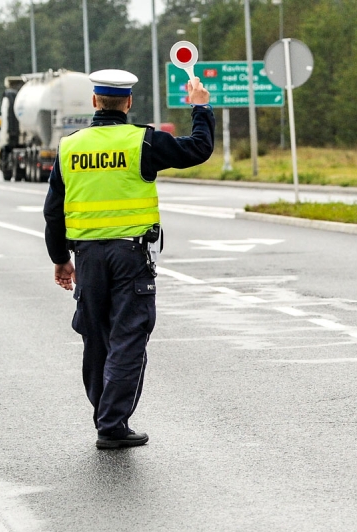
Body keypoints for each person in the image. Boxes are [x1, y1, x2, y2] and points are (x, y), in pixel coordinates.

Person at [43, 68, 214, 449]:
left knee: (96, 338)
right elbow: (198, 148)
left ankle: (104, 415)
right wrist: (200, 107)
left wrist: (59, 258)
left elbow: (54, 211)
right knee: (129, 337)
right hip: (130, 256)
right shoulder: (143, 142)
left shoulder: (70, 146)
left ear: (94, 102)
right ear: (129, 102)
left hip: (87, 257)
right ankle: (112, 424)